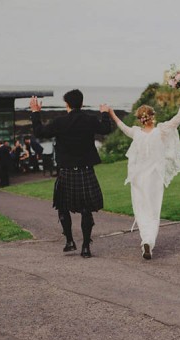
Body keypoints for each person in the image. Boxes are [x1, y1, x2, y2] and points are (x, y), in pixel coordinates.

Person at [108, 83, 180, 260]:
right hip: (154, 177)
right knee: (154, 211)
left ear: (140, 119)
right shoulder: (161, 131)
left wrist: (112, 113)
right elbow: (179, 116)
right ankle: (148, 241)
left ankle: (145, 240)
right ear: (152, 117)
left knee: (141, 210)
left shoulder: (136, 133)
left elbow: (122, 126)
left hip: (138, 178)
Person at [30, 89, 112, 258]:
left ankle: (69, 241)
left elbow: (39, 132)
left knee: (62, 206)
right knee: (86, 209)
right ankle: (86, 248)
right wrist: (104, 113)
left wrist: (35, 112)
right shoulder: (89, 120)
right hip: (85, 171)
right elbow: (105, 128)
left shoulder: (60, 122)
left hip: (66, 171)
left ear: (66, 104)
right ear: (81, 103)